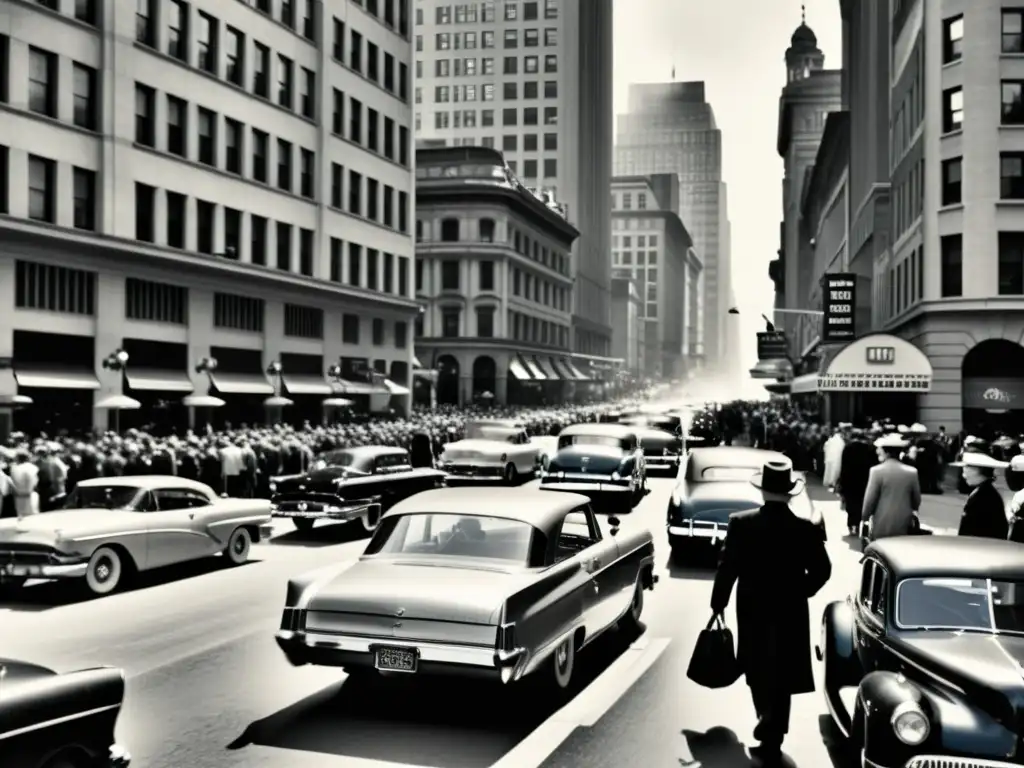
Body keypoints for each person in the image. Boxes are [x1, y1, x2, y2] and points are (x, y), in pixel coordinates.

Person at [710, 458, 831, 764]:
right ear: (790, 494)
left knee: (755, 665)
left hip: (752, 607)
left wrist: (718, 602)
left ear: (763, 493)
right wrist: (802, 590)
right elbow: (822, 570)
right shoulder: (805, 528)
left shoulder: (741, 523)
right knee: (785, 670)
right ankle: (774, 732)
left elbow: (728, 568)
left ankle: (766, 717)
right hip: (790, 609)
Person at [862, 433, 922, 540]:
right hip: (904, 523)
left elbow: (870, 501)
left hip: (881, 523)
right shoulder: (912, 472)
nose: (877, 451)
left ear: (886, 451)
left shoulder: (876, 471)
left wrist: (865, 517)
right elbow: (916, 500)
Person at [956, 451, 1010, 539]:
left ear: (978, 470)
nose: (963, 471)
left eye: (967, 466)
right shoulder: (983, 491)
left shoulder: (984, 496)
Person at [837, 429, 876, 536]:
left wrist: (841, 482)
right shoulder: (870, 448)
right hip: (865, 479)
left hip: (850, 480)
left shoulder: (848, 447)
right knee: (862, 502)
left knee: (850, 503)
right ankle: (860, 523)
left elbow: (843, 466)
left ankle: (851, 525)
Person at [822, 423, 848, 490]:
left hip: (831, 458)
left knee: (832, 469)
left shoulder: (831, 440)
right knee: (835, 469)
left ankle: (832, 482)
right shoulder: (838, 440)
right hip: (836, 458)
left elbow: (825, 448)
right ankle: (833, 482)